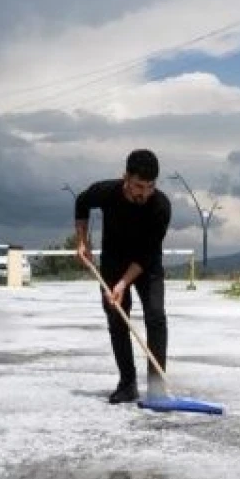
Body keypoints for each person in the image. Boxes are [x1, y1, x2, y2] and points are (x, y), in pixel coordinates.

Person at [74, 149, 172, 404]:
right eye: (139, 186)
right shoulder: (106, 192)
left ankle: (156, 386)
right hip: (113, 262)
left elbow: (146, 254)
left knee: (156, 316)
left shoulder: (161, 207)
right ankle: (127, 383)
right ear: (125, 177)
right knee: (117, 317)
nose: (144, 193)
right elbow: (81, 203)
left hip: (146, 265)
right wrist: (83, 241)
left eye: (150, 187)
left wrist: (122, 284)